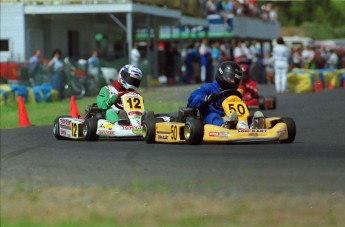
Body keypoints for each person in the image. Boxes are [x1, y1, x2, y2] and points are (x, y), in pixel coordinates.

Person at [187, 61, 264, 129]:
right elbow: (192, 99)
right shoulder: (209, 87)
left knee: (249, 118)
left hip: (232, 118)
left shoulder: (234, 92)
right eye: (231, 78)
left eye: (236, 79)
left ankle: (252, 125)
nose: (234, 81)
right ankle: (223, 126)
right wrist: (207, 98)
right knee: (213, 116)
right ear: (222, 75)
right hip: (210, 118)